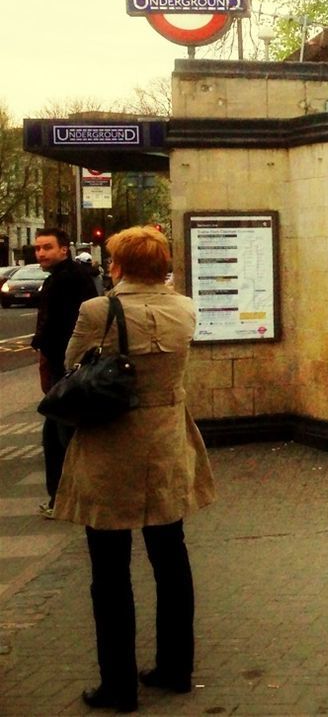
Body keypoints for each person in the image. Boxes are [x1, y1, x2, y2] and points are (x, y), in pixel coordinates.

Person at [54, 226, 216, 712]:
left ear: (120, 265)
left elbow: (72, 365)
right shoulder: (185, 308)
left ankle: (118, 686)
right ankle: (175, 668)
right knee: (171, 557)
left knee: (109, 568)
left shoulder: (97, 311)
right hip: (167, 443)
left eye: (111, 261)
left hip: (111, 446)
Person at [31, 228, 98, 518]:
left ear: (64, 249)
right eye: (38, 248)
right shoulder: (66, 278)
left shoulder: (66, 280)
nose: (41, 253)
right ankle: (65, 497)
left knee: (63, 436)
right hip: (70, 369)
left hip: (68, 370)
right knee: (59, 435)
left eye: (47, 247)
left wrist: (46, 356)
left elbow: (59, 329)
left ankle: (69, 499)